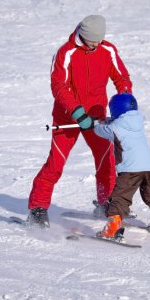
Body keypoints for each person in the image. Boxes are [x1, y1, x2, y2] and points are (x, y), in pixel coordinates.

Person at [27, 15, 132, 227]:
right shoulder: (65, 53)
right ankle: (37, 208)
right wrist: (77, 113)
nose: (96, 44)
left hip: (97, 117)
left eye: (99, 40)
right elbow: (58, 86)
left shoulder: (107, 50)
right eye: (92, 40)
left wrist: (125, 100)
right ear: (82, 35)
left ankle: (107, 203)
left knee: (106, 162)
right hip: (67, 117)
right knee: (55, 164)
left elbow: (122, 78)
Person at [93, 93, 150, 239]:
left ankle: (112, 227)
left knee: (121, 196)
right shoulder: (137, 122)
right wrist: (109, 121)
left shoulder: (115, 127)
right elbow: (120, 124)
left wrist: (93, 124)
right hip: (148, 167)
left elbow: (100, 131)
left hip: (130, 169)